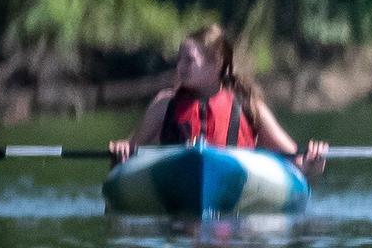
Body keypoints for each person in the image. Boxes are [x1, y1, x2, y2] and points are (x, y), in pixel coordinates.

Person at [111, 23, 323, 175]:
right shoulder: (164, 104)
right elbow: (128, 154)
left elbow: (295, 157)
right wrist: (121, 152)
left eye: (189, 60)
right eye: (179, 59)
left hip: (236, 181)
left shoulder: (249, 105)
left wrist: (311, 162)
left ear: (217, 64)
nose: (180, 67)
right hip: (177, 178)